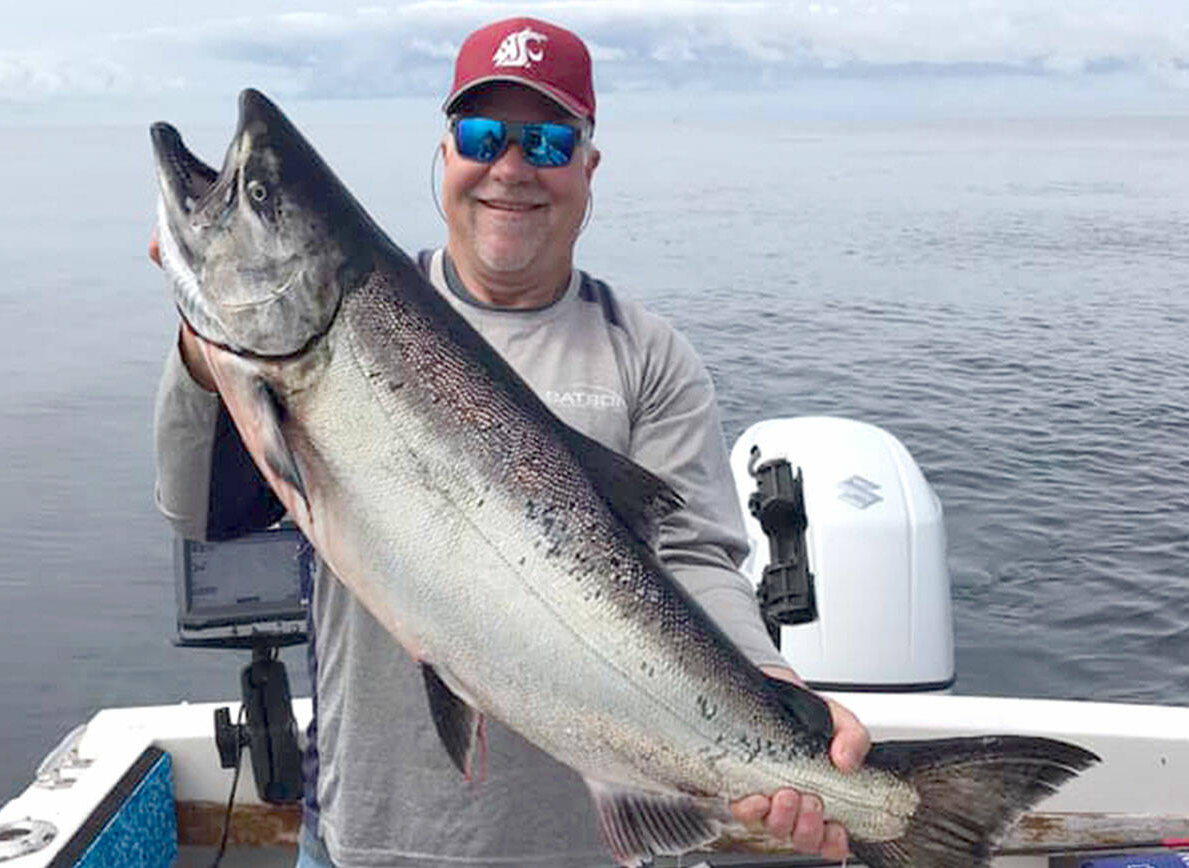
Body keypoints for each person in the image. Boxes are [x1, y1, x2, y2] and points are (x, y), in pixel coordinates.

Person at [152, 16, 870, 868]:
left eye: (547, 142)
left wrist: (767, 685)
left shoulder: (647, 356)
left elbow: (695, 560)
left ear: (588, 167)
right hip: (366, 836)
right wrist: (205, 349)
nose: (510, 169)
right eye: (483, 135)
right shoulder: (308, 348)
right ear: (448, 151)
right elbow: (199, 510)